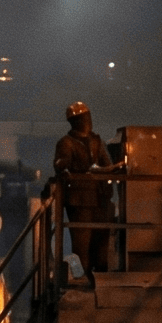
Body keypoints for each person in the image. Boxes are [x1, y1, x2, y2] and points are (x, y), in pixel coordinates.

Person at [54, 100, 119, 267]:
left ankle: (100, 272)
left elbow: (107, 165)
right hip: (80, 200)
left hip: (101, 197)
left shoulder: (96, 141)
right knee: (82, 241)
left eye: (87, 117)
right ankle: (84, 274)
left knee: (102, 240)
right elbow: (61, 165)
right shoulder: (66, 143)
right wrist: (63, 165)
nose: (87, 121)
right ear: (75, 121)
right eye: (83, 118)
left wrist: (113, 169)